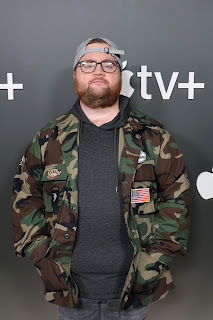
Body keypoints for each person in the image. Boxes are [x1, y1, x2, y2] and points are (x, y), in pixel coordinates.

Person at [12, 37, 191, 320]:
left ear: (120, 75)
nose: (99, 70)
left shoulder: (153, 136)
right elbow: (26, 201)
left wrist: (151, 265)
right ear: (75, 75)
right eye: (88, 64)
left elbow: (176, 202)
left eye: (109, 64)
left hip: (134, 289)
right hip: (69, 290)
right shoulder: (48, 138)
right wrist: (45, 261)